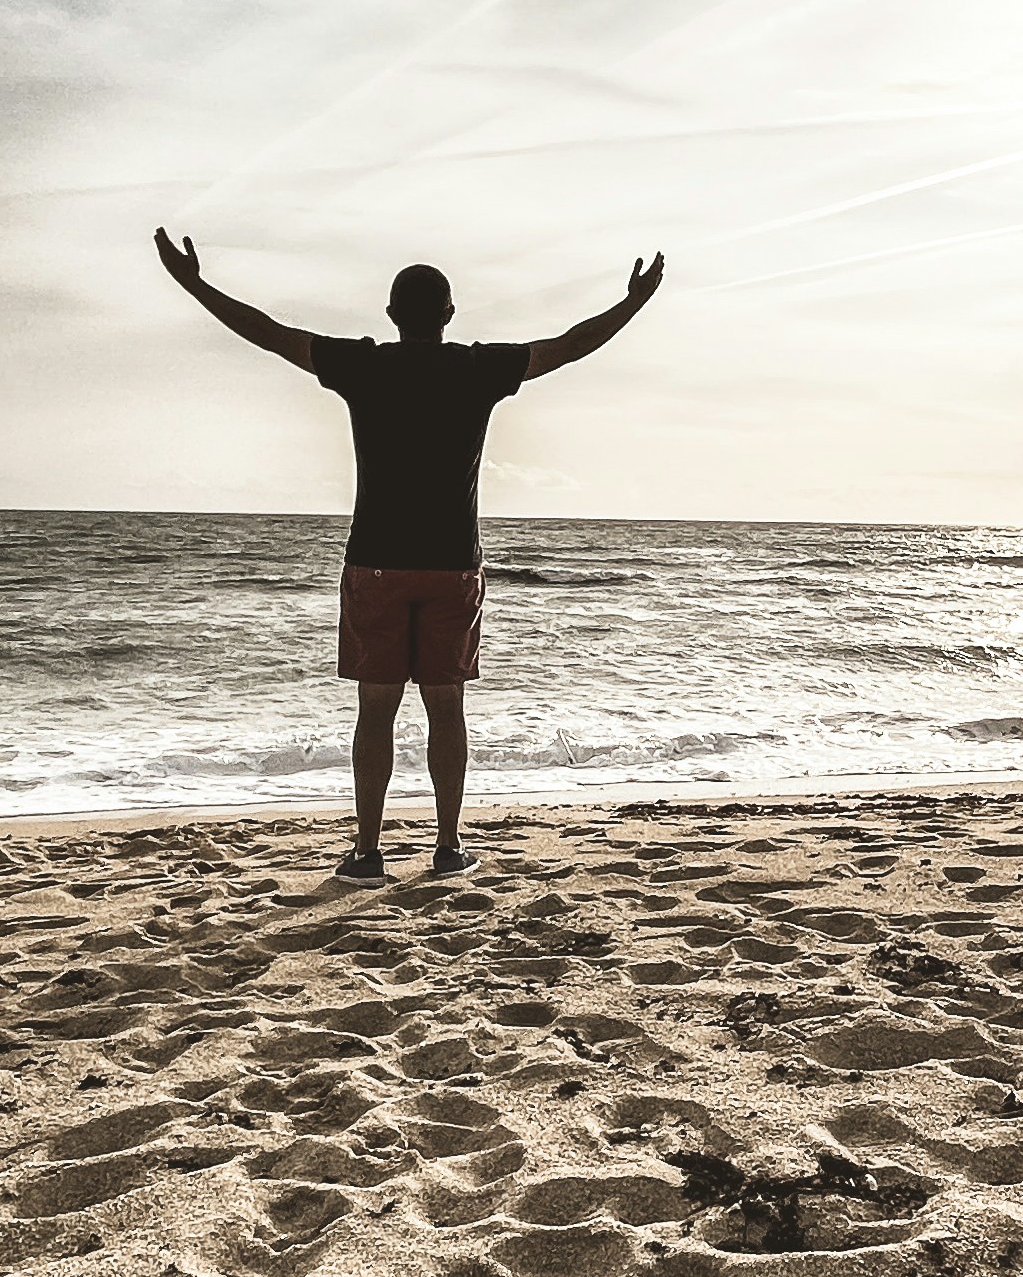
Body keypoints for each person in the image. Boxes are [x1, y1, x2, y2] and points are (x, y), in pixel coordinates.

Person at [154, 231, 664, 882]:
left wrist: (194, 284)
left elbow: (269, 332)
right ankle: (448, 848)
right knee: (446, 709)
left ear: (391, 316)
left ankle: (367, 854)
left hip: (376, 564)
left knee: (376, 712)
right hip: (453, 566)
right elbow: (567, 347)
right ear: (449, 315)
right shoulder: (477, 368)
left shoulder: (363, 365)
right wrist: (633, 303)